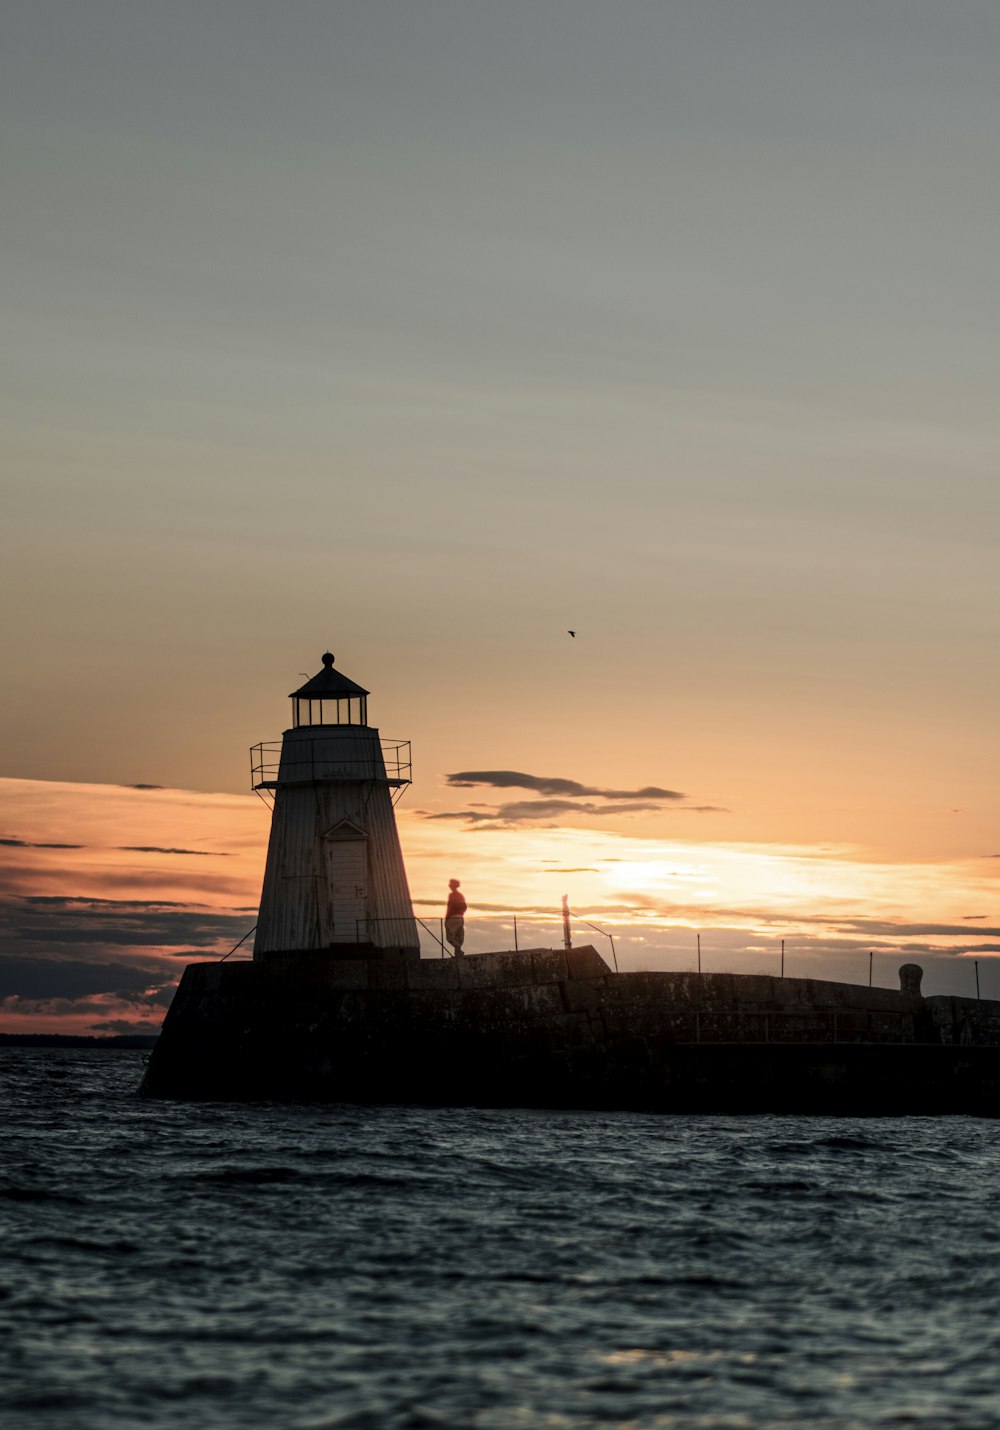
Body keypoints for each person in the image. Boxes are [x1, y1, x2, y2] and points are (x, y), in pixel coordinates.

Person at [445, 878, 467, 957]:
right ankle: (457, 953)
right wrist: (461, 914)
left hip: (452, 917)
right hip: (460, 917)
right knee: (458, 936)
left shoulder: (451, 895)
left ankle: (458, 950)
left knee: (450, 937)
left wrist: (447, 918)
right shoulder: (460, 895)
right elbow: (465, 907)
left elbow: (450, 907)